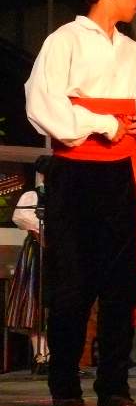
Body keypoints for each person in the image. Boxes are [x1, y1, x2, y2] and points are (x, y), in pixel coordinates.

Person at [24, 0, 136, 406]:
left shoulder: (131, 50)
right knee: (73, 282)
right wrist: (105, 121)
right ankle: (65, 385)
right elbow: (42, 104)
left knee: (120, 285)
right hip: (77, 173)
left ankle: (114, 387)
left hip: (122, 173)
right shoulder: (64, 40)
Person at [5, 156, 52, 374]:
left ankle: (57, 357)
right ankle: (40, 356)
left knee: (56, 304)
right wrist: (44, 229)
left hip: (59, 253)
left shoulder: (65, 195)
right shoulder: (33, 195)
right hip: (38, 251)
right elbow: (20, 217)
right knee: (36, 302)